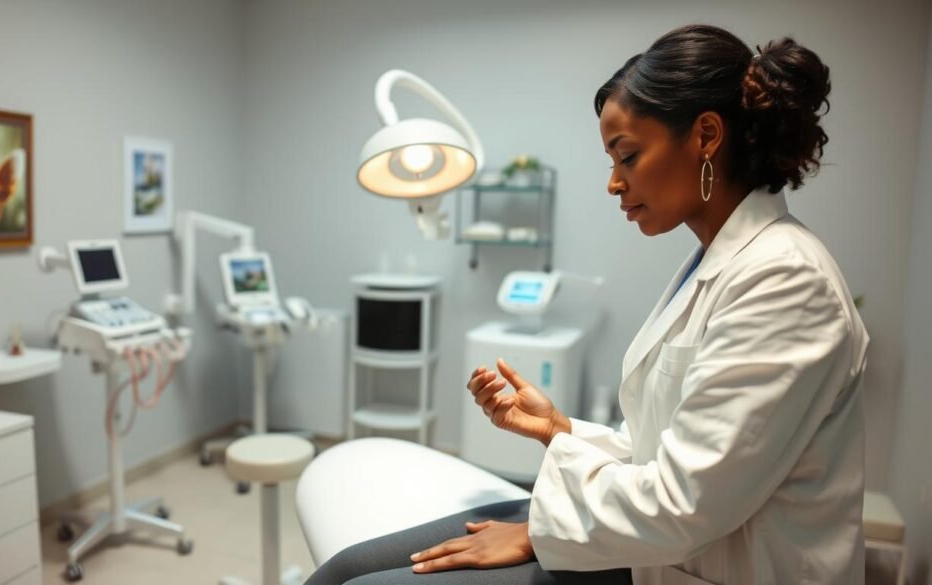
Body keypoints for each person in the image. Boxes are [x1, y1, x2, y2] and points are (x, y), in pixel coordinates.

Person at [305, 23, 868, 585]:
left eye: (627, 156)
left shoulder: (786, 281)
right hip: (647, 538)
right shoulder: (718, 262)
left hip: (686, 560)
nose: (613, 184)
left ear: (706, 135)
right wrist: (558, 428)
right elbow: (667, 452)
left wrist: (535, 532)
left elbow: (682, 504)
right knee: (344, 570)